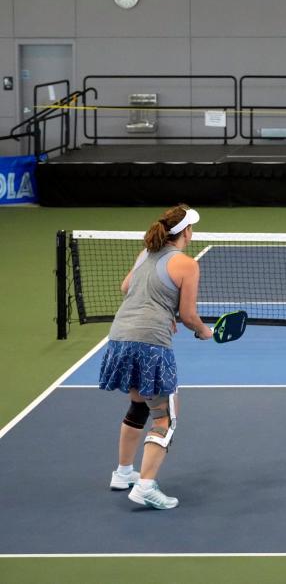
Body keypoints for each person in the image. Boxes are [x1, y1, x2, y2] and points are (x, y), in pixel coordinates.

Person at [98, 204, 213, 509]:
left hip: (119, 338)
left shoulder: (145, 254)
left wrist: (161, 309)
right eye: (192, 228)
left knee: (138, 404)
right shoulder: (187, 265)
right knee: (164, 418)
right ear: (185, 232)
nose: (193, 232)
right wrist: (203, 330)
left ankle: (123, 474)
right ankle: (145, 486)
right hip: (150, 344)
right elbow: (189, 316)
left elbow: (127, 287)